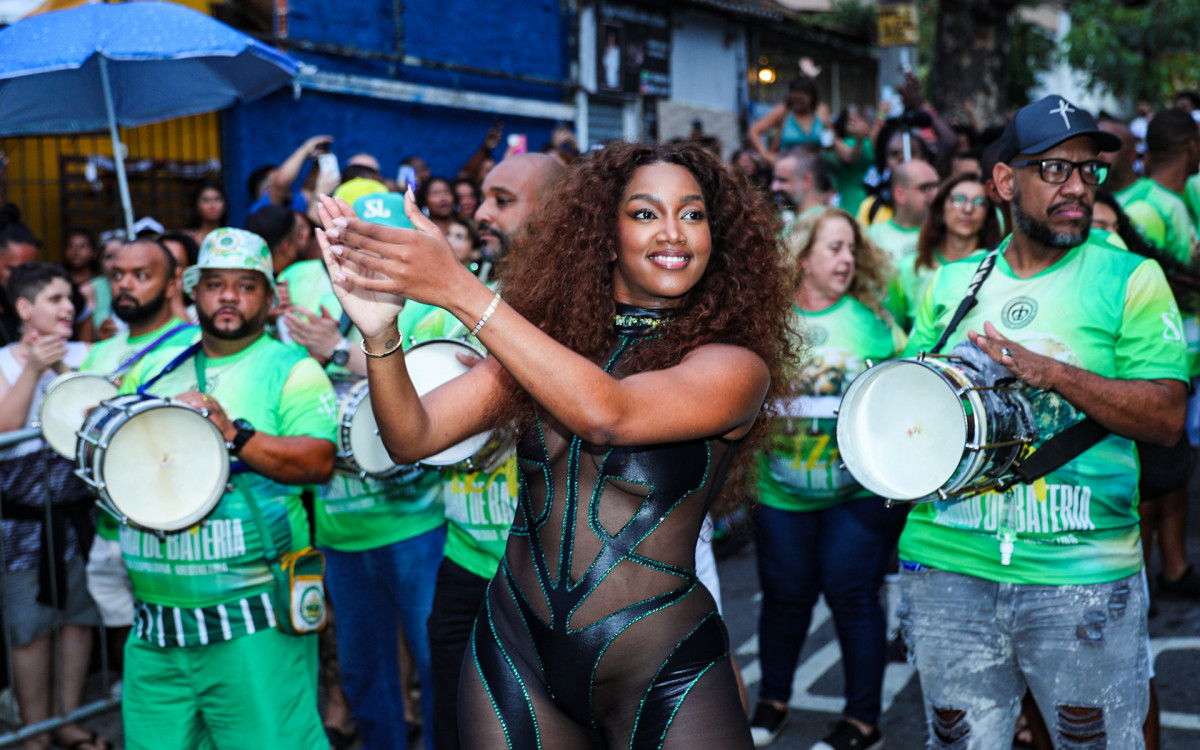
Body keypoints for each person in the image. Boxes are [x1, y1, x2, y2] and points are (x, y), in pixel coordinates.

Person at [316, 141, 794, 748]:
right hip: (516, 656)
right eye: (646, 213)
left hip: (660, 664)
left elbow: (606, 415)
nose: (673, 232)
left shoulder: (734, 365)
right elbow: (413, 436)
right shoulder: (545, 346)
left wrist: (459, 289)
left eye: (692, 214)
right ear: (604, 230)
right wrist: (379, 332)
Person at [899, 95, 1187, 749]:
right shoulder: (952, 283)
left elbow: (1168, 417)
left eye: (1089, 171)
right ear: (1005, 182)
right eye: (1056, 170)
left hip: (1080, 573)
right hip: (946, 563)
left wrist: (1053, 374)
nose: (1079, 187)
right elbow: (912, 409)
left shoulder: (1131, 279)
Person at [116, 227, 336, 750]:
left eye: (246, 285)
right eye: (215, 284)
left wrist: (234, 434)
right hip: (157, 630)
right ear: (193, 292)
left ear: (268, 296)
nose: (229, 297)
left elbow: (319, 461)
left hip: (255, 623)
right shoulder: (150, 369)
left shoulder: (293, 370)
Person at [282, 191, 446, 750]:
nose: (373, 255)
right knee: (363, 673)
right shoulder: (303, 281)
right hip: (341, 530)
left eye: (386, 243)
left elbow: (429, 392)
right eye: (359, 241)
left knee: (437, 670)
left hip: (417, 525)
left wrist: (334, 348)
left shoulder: (430, 301)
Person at [748, 208, 907, 750]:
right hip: (779, 493)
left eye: (850, 249)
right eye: (833, 247)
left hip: (856, 497)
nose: (846, 259)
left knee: (853, 594)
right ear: (803, 255)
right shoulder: (767, 320)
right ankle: (772, 702)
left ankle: (863, 721)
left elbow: (907, 395)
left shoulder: (876, 323)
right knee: (784, 598)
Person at [0, 263, 110, 750]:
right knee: (30, 629)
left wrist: (63, 367)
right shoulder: (3, 362)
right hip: (22, 523)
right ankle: (35, 733)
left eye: (71, 298)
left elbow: (100, 413)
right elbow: (5, 433)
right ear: (24, 309)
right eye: (55, 299)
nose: (69, 307)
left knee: (79, 618)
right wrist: (33, 369)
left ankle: (67, 720)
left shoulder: (88, 354)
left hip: (77, 513)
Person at [78, 239, 193, 683]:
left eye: (141, 275)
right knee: (136, 652)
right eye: (118, 275)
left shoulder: (190, 347)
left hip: (166, 535)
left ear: (172, 284)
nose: (125, 285)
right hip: (109, 528)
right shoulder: (100, 353)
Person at [888, 173, 1002, 330]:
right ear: (941, 208)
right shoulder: (909, 268)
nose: (968, 209)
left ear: (987, 215)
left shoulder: (997, 269)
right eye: (959, 200)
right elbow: (896, 328)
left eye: (979, 202)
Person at [866, 159, 940, 266]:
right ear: (900, 194)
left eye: (937, 186)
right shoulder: (873, 237)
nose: (935, 194)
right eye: (925, 188)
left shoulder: (947, 233)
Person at [748, 76, 832, 165]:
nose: (797, 105)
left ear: (811, 98)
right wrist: (766, 156)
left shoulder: (820, 111)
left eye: (801, 101)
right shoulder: (783, 111)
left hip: (815, 169)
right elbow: (754, 131)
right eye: (794, 100)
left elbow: (829, 142)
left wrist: (826, 125)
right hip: (786, 168)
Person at [770, 149, 830, 228]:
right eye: (774, 179)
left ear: (807, 181)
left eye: (782, 180)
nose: (773, 187)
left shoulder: (823, 225)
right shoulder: (793, 222)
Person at [185, 180, 229, 248]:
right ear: (196, 205)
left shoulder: (233, 237)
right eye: (206, 200)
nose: (213, 205)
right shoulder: (189, 239)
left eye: (217, 199)